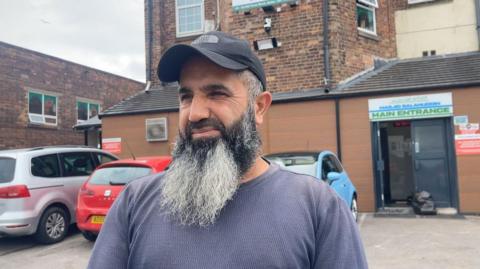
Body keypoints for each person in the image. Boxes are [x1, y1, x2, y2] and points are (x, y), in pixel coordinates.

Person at [88, 31, 368, 269]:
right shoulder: (134, 203)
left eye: (216, 93)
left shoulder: (319, 208)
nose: (195, 113)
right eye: (186, 97)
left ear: (259, 107)